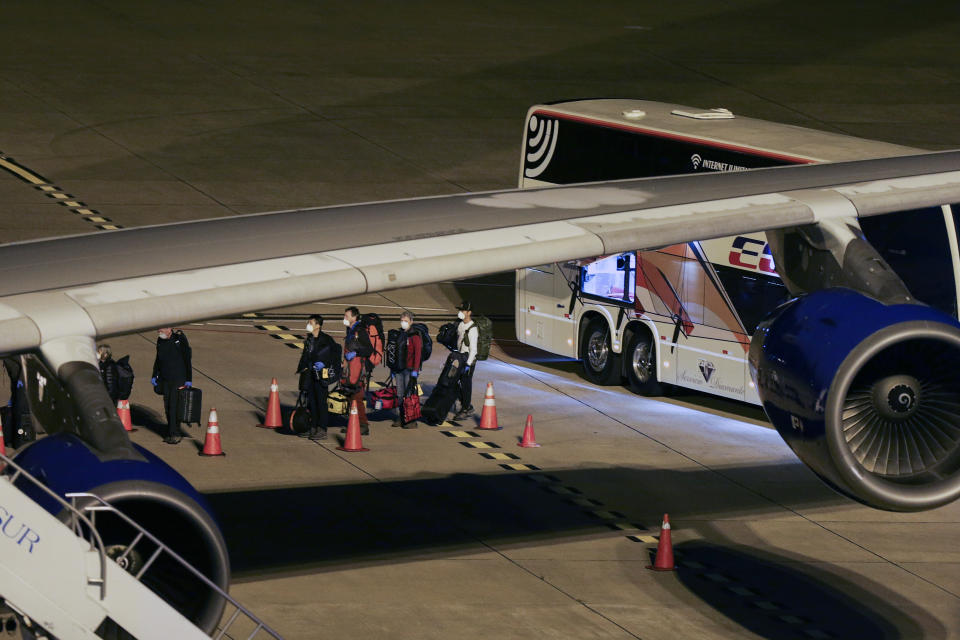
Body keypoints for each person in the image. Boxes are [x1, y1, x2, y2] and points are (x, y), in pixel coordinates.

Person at [296, 314, 337, 440]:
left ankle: (322, 428)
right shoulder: (309, 339)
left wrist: (324, 364)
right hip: (310, 374)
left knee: (321, 402)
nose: (308, 325)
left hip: (321, 375)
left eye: (311, 323)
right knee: (311, 402)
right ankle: (313, 426)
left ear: (318, 325)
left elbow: (333, 356)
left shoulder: (327, 340)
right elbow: (305, 355)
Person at [151, 327, 192, 444]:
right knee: (168, 407)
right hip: (165, 379)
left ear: (169, 329)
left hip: (178, 379)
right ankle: (171, 431)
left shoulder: (179, 339)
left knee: (174, 407)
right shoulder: (160, 341)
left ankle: (175, 434)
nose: (159, 331)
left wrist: (189, 379)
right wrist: (154, 374)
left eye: (161, 329)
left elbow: (187, 359)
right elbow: (158, 360)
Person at [342, 306, 373, 435]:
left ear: (354, 317)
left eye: (346, 316)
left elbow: (369, 349)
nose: (344, 318)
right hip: (350, 370)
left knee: (357, 398)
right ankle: (354, 423)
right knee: (350, 397)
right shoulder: (350, 330)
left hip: (359, 371)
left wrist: (355, 353)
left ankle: (363, 424)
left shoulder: (360, 331)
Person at [392, 311, 423, 429]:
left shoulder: (415, 336)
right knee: (400, 394)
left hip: (410, 370)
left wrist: (415, 370)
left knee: (409, 395)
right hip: (400, 369)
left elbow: (418, 354)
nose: (403, 323)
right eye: (402, 320)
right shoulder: (400, 334)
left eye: (406, 321)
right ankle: (401, 417)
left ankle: (411, 420)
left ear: (411, 322)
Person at [455, 301, 479, 420]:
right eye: (460, 310)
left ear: (469, 312)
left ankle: (465, 409)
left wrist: (468, 365)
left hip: (468, 361)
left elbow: (473, 350)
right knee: (454, 382)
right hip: (460, 358)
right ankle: (467, 405)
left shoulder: (473, 328)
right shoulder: (460, 325)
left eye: (463, 310)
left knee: (466, 385)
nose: (461, 312)